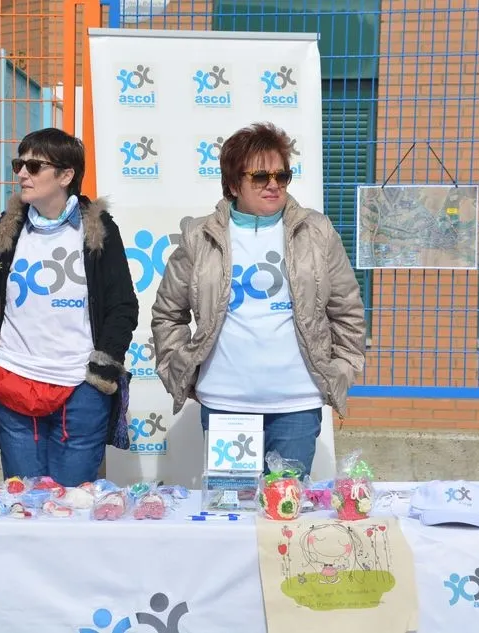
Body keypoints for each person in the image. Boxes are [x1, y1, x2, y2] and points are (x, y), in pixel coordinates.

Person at [151, 122, 366, 477]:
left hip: (297, 404)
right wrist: (180, 366)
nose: (273, 185)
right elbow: (168, 313)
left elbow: (347, 310)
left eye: (282, 176)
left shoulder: (317, 232)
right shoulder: (199, 236)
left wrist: (341, 368)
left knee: (285, 507)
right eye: (261, 177)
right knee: (231, 506)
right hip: (225, 402)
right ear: (234, 184)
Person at [0, 127, 138, 487]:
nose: (22, 174)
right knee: (25, 505)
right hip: (13, 383)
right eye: (18, 164)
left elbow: (122, 305)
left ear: (65, 175)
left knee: (72, 505)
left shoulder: (99, 229)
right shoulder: (8, 227)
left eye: (34, 166)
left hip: (80, 390)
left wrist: (102, 370)